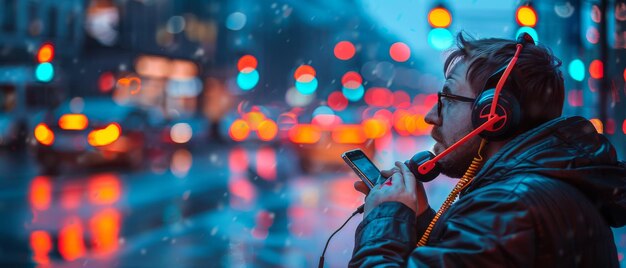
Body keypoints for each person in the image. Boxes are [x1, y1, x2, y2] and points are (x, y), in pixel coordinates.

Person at [350, 33, 626, 267]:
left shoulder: (510, 205)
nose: (431, 115)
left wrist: (383, 220)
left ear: (492, 114)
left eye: (447, 97)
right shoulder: (535, 190)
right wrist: (420, 217)